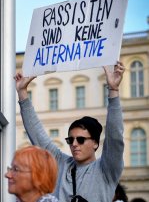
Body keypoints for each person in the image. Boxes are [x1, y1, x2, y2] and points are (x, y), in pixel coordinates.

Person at [14, 61, 125, 201]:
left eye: (81, 139)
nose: (74, 144)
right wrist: (22, 92)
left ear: (96, 143)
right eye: (70, 140)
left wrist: (113, 90)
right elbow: (37, 133)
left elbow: (115, 137)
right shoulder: (61, 163)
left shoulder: (106, 169)